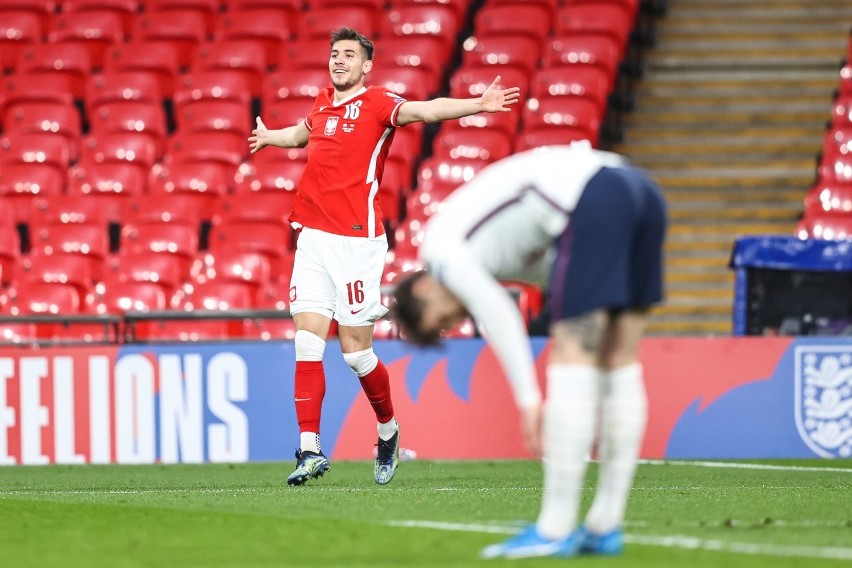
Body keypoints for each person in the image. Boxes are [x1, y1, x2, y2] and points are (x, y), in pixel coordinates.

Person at [247, 27, 520, 486]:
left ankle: (388, 431)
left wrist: (477, 104)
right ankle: (309, 449)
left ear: (366, 65)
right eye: (335, 54)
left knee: (356, 353)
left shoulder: (377, 103)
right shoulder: (321, 102)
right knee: (307, 340)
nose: (339, 61)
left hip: (357, 242)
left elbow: (425, 110)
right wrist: (268, 137)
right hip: (312, 236)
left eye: (349, 55)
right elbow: (301, 135)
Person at [391, 142, 667, 558]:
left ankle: (555, 529)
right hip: (641, 190)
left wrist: (528, 400)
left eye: (441, 320)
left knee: (572, 358)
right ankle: (605, 525)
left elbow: (498, 308)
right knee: (618, 362)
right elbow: (559, 274)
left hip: (592, 196)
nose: (453, 322)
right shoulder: (495, 251)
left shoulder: (440, 247)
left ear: (423, 286)